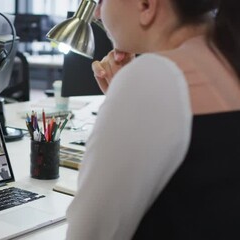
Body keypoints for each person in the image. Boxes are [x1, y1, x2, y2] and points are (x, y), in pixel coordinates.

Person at [66, 1, 240, 239]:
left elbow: (88, 233)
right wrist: (124, 101)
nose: (96, 13)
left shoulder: (154, 76)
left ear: (146, 5)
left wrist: (127, 95)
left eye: (102, 1)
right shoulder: (227, 60)